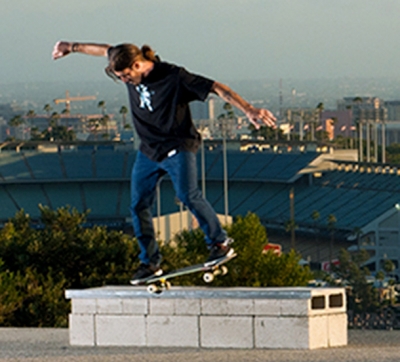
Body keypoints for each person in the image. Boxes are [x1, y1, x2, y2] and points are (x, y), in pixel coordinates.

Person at [52, 41, 277, 283]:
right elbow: (103, 49)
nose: (125, 81)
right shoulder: (122, 58)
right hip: (149, 151)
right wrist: (71, 46)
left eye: (127, 76)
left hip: (177, 146)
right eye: (120, 77)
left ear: (138, 64)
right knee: (138, 205)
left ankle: (219, 243)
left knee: (188, 195)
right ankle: (150, 263)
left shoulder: (174, 76)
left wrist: (248, 109)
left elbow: (217, 88)